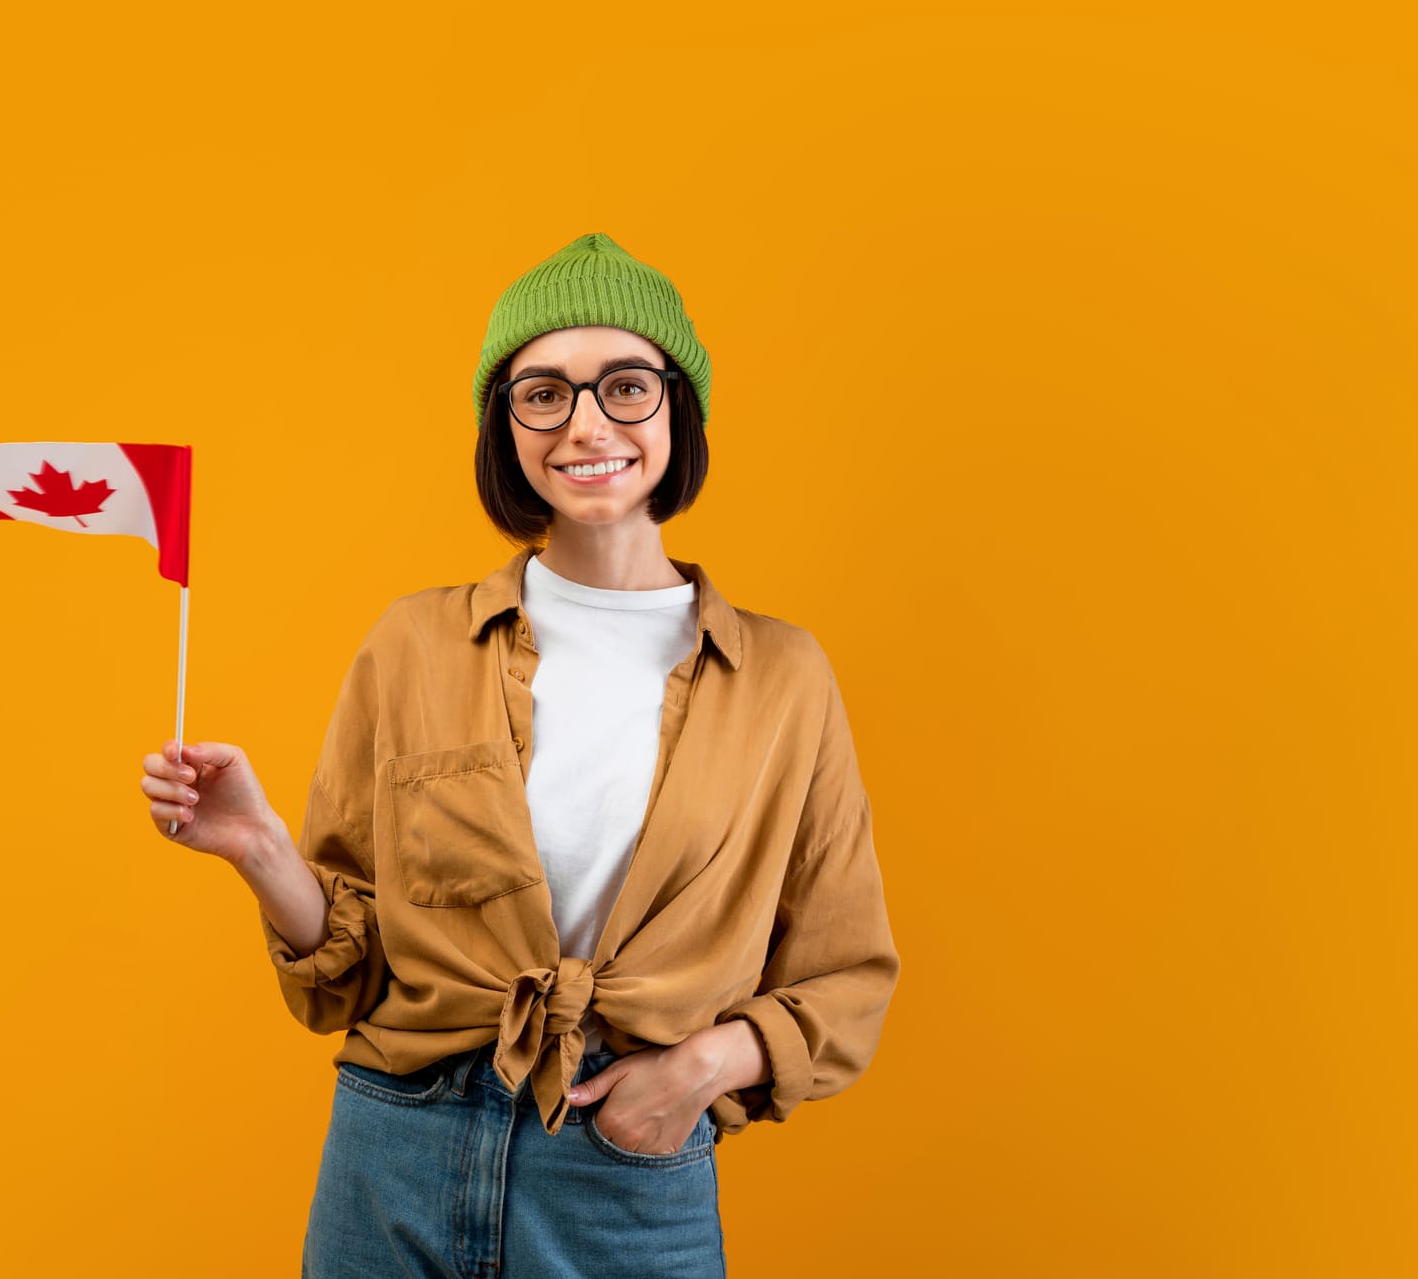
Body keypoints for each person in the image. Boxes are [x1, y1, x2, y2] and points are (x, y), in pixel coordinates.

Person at [137, 232, 899, 1278]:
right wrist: (261, 847)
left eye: (625, 385)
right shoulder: (413, 643)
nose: (586, 423)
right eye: (543, 393)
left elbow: (846, 971)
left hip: (628, 1171)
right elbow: (347, 969)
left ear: (679, 409)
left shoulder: (783, 678)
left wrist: (701, 1067)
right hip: (396, 1151)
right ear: (507, 425)